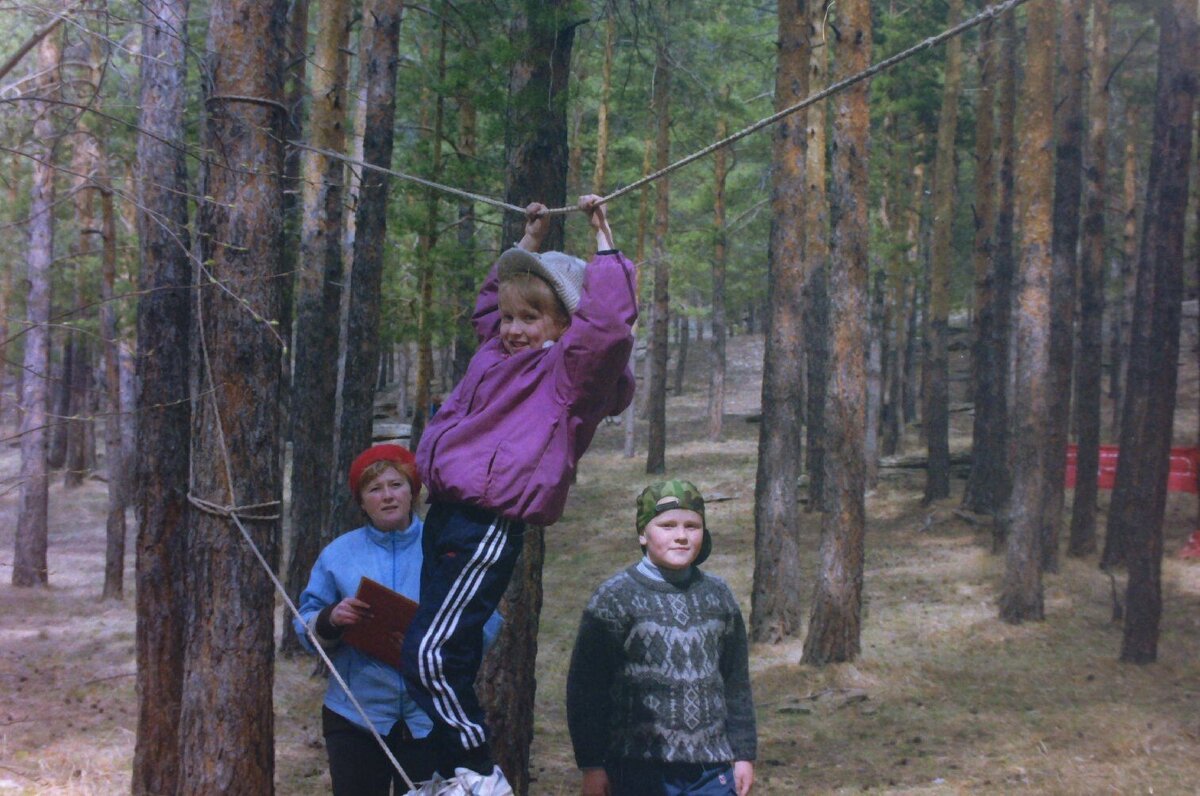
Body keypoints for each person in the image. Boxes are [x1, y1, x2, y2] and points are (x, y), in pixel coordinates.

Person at [403, 195, 638, 788]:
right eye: (510, 319)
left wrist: (603, 240)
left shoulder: (567, 376)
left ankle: (481, 772)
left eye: (529, 320)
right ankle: (448, 774)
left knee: (428, 657)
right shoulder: (495, 351)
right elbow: (490, 307)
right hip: (446, 515)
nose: (511, 330)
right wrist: (526, 245)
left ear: (564, 325)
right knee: (437, 654)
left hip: (486, 526)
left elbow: (607, 329)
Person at [294, 443, 501, 795]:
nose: (387, 496)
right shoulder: (339, 554)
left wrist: (442, 646)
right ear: (361, 502)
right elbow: (305, 624)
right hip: (356, 715)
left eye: (396, 485)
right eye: (374, 489)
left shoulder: (447, 549)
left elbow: (486, 620)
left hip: (431, 717)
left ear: (412, 491)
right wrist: (332, 618)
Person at [565, 480, 757, 796]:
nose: (681, 536)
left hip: (712, 770)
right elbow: (586, 688)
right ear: (643, 533)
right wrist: (591, 764)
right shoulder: (614, 598)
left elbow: (736, 680)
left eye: (692, 526)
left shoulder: (719, 596)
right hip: (636, 769)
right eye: (667, 525)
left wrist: (744, 754)